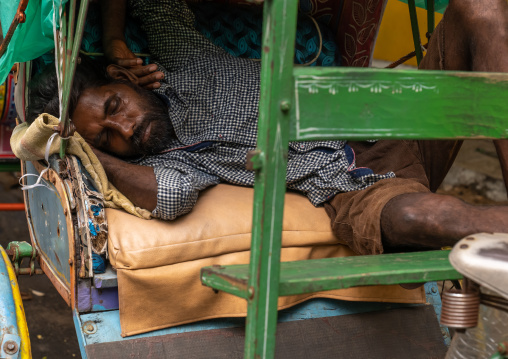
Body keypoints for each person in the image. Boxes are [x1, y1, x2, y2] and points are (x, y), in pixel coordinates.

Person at [26, 0, 508, 256]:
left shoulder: (184, 60)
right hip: (360, 182)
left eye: (115, 106)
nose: (125, 129)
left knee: (480, 9)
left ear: (122, 79)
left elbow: (153, 2)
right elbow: (168, 197)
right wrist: (77, 149)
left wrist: (113, 38)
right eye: (107, 136)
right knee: (422, 220)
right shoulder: (169, 160)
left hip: (399, 119)